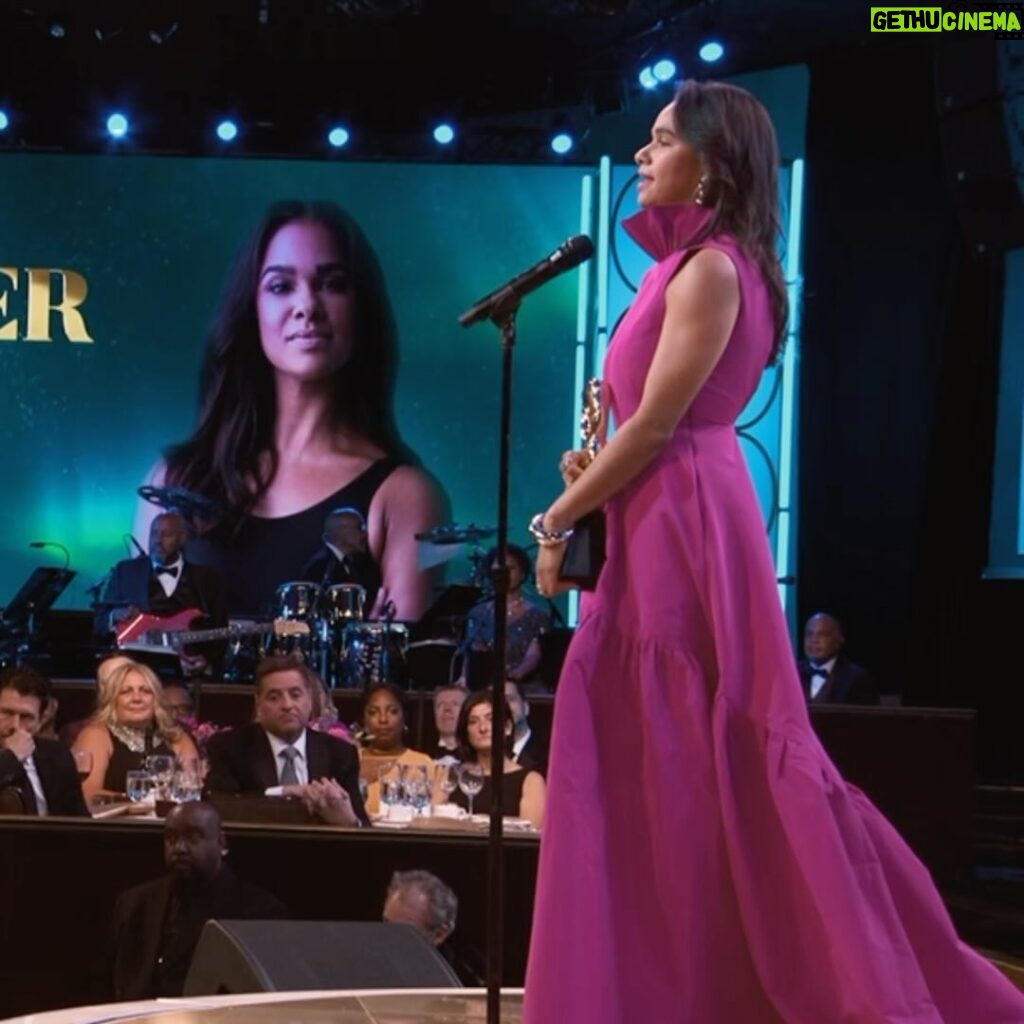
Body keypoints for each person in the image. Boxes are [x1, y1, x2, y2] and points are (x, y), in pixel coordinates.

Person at [522, 79, 1024, 1022]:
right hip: (658, 521)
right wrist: (591, 474)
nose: (640, 155)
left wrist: (554, 519)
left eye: (661, 140)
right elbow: (638, 430)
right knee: (663, 769)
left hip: (686, 531)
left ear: (710, 166)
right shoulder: (689, 271)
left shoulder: (712, 268)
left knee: (689, 761)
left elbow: (660, 428)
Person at [133, 199, 448, 621]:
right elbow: (135, 657)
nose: (308, 307)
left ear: (362, 306)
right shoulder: (172, 479)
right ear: (251, 308)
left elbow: (393, 676)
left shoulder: (407, 496)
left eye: (332, 283)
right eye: (281, 286)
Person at [110, 801, 285, 1000]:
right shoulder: (134, 904)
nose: (180, 848)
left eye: (193, 837)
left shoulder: (258, 911)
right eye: (171, 838)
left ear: (222, 843)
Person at [203, 654, 369, 826]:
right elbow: (217, 806)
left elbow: (364, 827)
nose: (287, 705)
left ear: (309, 700)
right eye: (274, 697)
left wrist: (350, 822)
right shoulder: (230, 748)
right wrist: (283, 792)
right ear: (258, 704)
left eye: (295, 695)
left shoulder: (340, 754)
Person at [98, 511, 229, 676]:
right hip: (135, 671)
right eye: (154, 533)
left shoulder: (207, 579)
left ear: (182, 539)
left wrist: (206, 659)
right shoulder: (126, 572)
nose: (157, 540)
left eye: (166, 534)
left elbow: (220, 631)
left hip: (187, 674)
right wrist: (115, 615)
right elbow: (99, 623)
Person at [72, 660, 200, 802]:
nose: (137, 698)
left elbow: (192, 792)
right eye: (126, 692)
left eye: (146, 691)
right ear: (112, 700)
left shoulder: (177, 737)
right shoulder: (96, 735)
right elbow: (89, 795)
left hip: (170, 822)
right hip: (116, 822)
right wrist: (139, 802)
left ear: (156, 699)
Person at [0, 665, 89, 816]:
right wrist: (11, 757)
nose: (15, 726)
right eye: (7, 713)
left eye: (26, 717)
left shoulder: (56, 755)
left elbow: (80, 822)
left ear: (41, 720)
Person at [448, 690, 545, 828]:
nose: (482, 728)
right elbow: (431, 826)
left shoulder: (530, 780)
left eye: (491, 719)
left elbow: (530, 835)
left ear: (507, 727)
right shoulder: (450, 777)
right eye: (473, 721)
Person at [460, 545, 550, 686]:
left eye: (511, 568)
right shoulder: (479, 613)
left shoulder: (537, 614)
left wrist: (513, 677)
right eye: (498, 569)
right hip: (484, 685)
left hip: (524, 686)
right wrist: (464, 678)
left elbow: (534, 654)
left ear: (522, 574)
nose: (504, 574)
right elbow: (472, 652)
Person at [381, 869, 484, 986]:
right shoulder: (368, 964)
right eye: (387, 923)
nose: (390, 939)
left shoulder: (462, 979)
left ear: (440, 934)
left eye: (404, 932)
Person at [300, 506, 382, 615]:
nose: (365, 534)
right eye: (361, 528)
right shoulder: (320, 566)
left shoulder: (349, 564)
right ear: (341, 531)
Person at [797, 610, 880, 705]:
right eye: (809, 634)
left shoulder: (858, 679)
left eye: (822, 634)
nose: (814, 640)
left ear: (838, 640)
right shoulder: (792, 673)